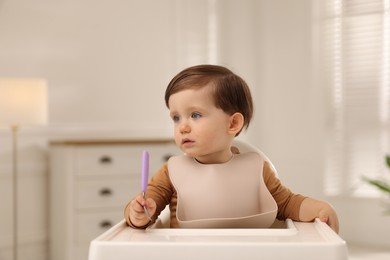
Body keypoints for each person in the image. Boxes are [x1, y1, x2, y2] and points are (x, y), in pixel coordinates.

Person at [124, 64, 339, 232]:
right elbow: (145, 210)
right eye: (176, 117)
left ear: (233, 124)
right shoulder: (170, 173)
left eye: (195, 115)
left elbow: (287, 204)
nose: (183, 127)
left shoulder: (257, 169)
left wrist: (320, 209)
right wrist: (138, 214)